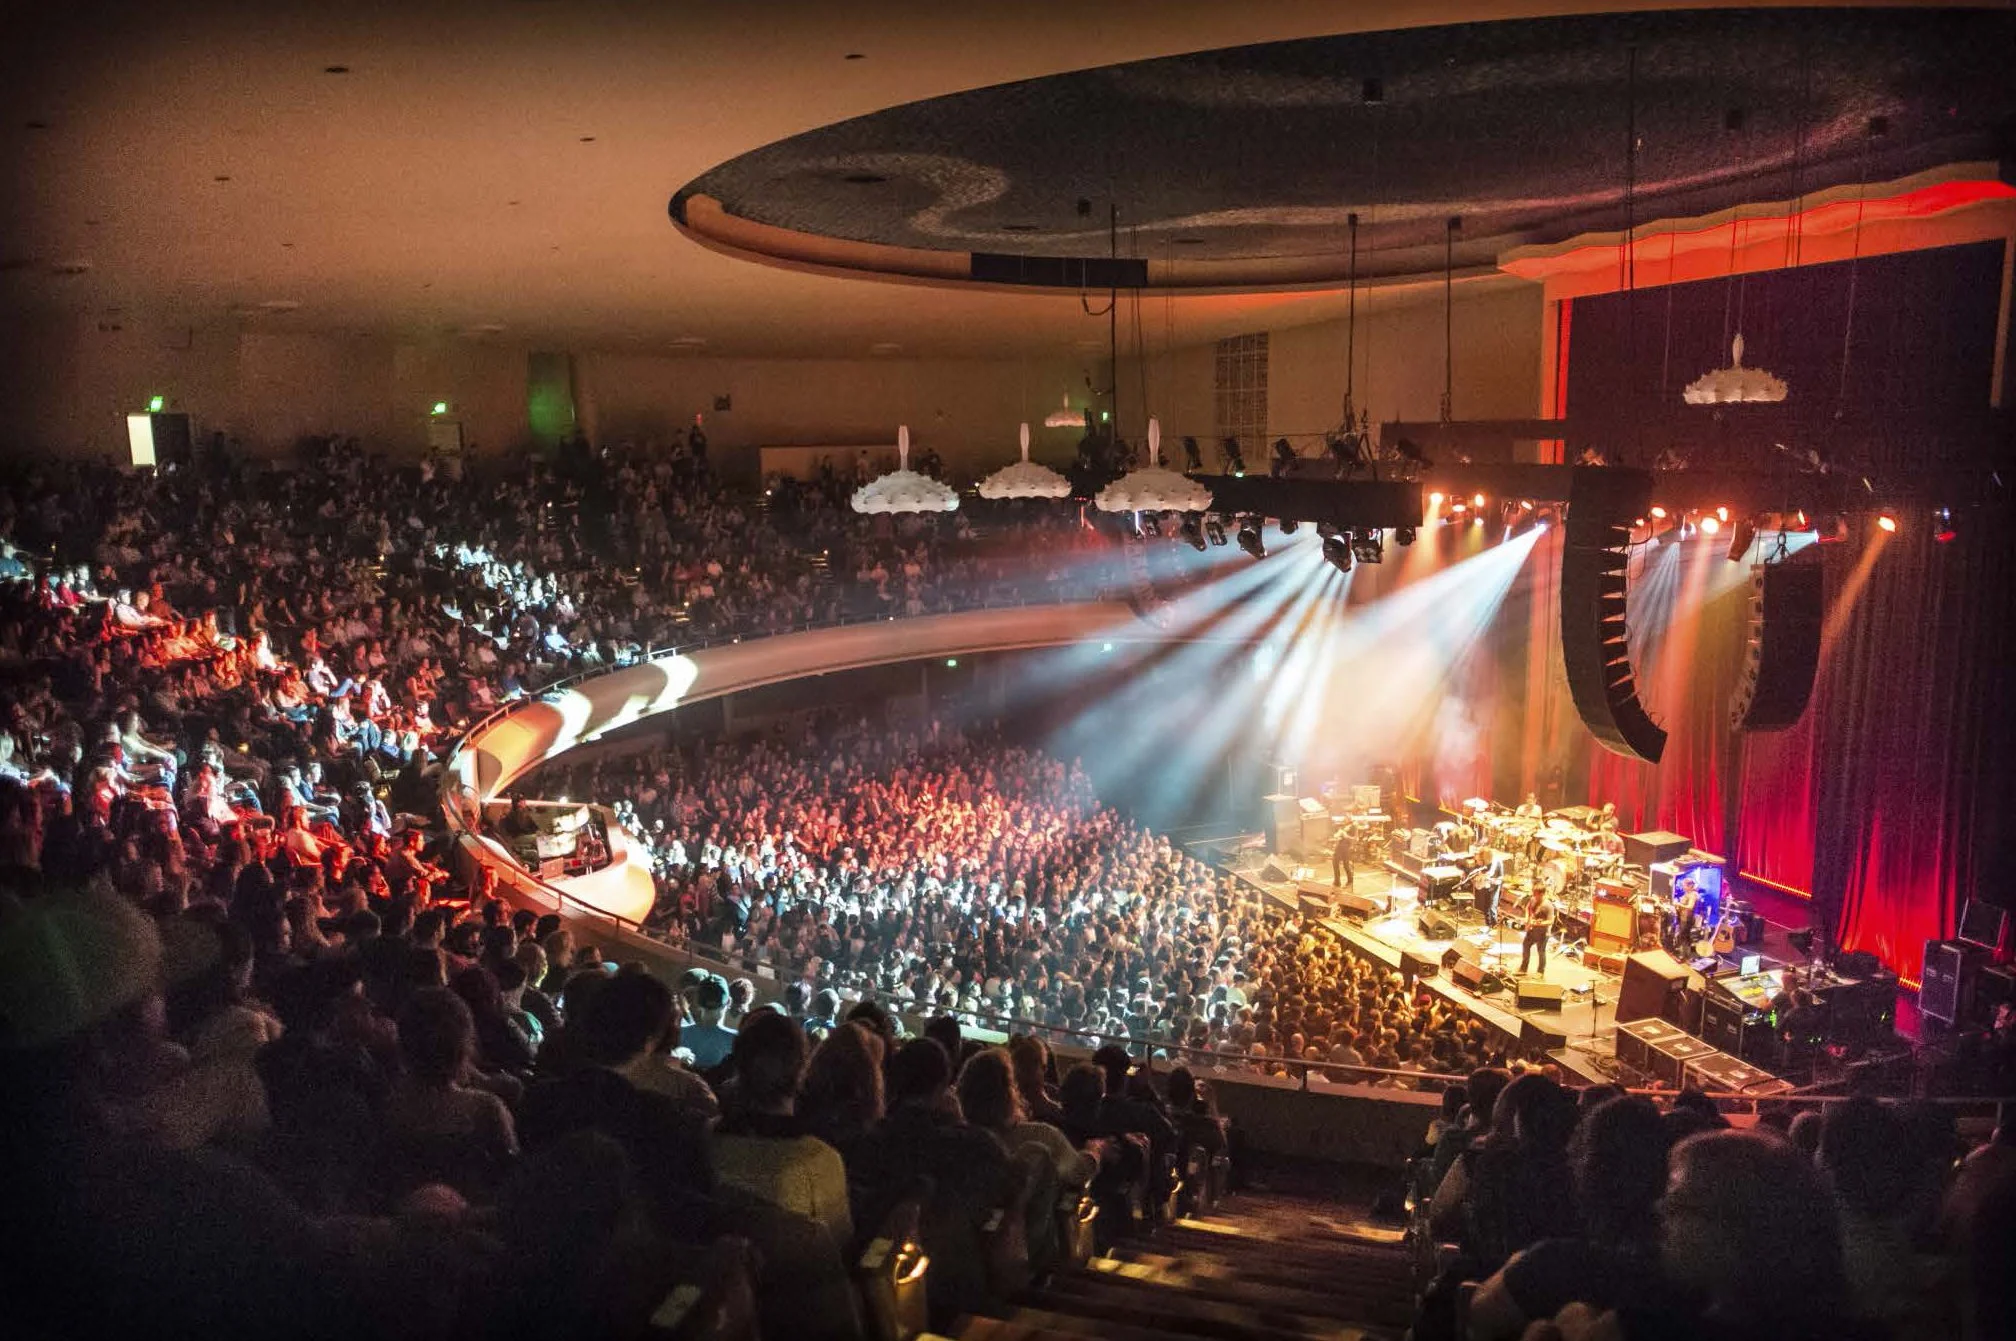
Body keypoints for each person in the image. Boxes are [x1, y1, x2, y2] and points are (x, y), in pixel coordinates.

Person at [1519, 888, 1558, 977]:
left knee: (1541, 951)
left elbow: (1550, 921)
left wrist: (1539, 923)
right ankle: (1523, 968)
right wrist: (1527, 919)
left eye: (1536, 894)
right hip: (1532, 930)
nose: (1534, 896)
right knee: (1526, 946)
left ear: (1542, 894)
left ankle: (1540, 972)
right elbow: (1528, 908)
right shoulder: (1533, 899)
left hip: (1543, 933)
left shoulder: (1548, 906)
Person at [1331, 825, 1355, 891]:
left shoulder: (1345, 832)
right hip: (1344, 849)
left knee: (1339, 864)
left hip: (1342, 849)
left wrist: (1342, 833)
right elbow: (1336, 836)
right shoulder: (1345, 833)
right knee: (1345, 865)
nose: (1346, 827)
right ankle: (1346, 881)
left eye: (1348, 827)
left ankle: (1338, 882)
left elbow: (1336, 835)